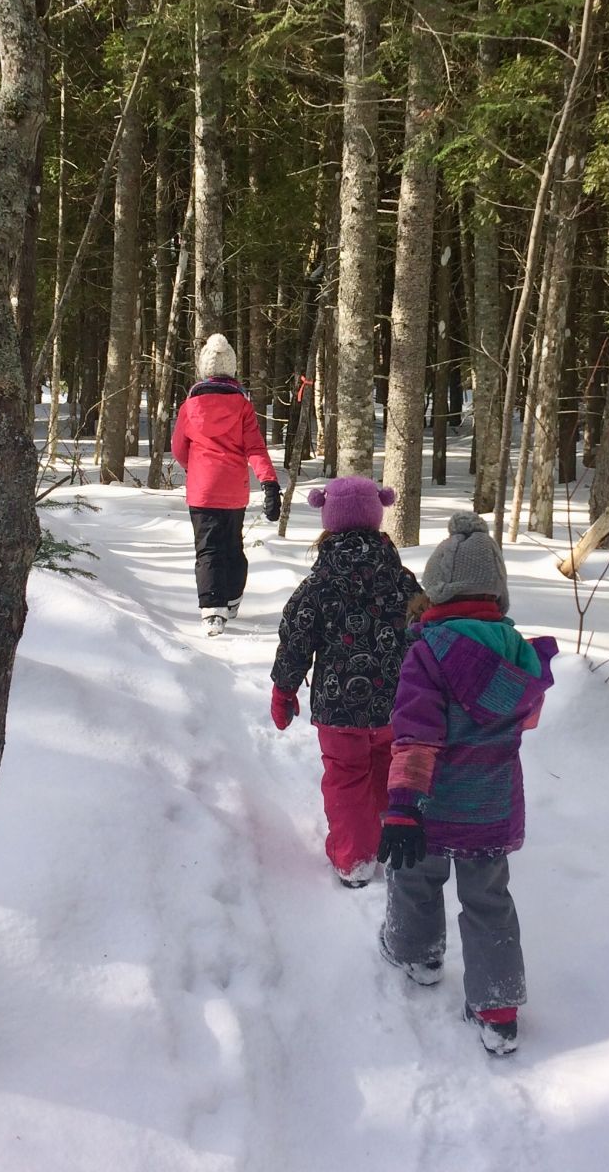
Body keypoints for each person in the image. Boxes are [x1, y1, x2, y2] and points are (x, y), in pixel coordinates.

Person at [376, 511, 556, 1057]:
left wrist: (403, 807)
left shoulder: (427, 653)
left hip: (432, 805)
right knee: (488, 900)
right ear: (497, 594)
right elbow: (524, 719)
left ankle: (417, 953)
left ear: (435, 591)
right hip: (491, 805)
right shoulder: (519, 652)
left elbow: (414, 737)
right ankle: (497, 1008)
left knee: (414, 879)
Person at [269, 476, 424, 889]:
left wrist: (284, 688)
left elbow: (295, 638)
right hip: (397, 705)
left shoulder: (319, 585)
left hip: (339, 710)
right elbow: (424, 631)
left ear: (328, 522)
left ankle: (355, 858)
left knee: (345, 777)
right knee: (390, 771)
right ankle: (395, 845)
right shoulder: (403, 580)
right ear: (376, 519)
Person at [171, 333, 282, 635]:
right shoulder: (242, 407)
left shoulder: (189, 407)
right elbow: (256, 449)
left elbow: (179, 449)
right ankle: (232, 598)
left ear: (204, 370)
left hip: (202, 491)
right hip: (233, 492)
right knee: (233, 545)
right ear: (231, 371)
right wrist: (269, 483)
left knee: (208, 550)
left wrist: (195, 468)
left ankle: (211, 610)